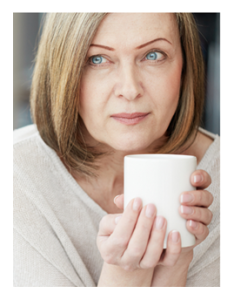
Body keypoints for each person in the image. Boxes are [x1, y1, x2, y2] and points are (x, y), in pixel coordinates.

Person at [13, 13, 220, 287]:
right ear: (63, 69)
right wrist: (125, 275)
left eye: (154, 55)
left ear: (185, 64)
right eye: (97, 59)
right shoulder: (15, 175)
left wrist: (175, 261)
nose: (130, 89)